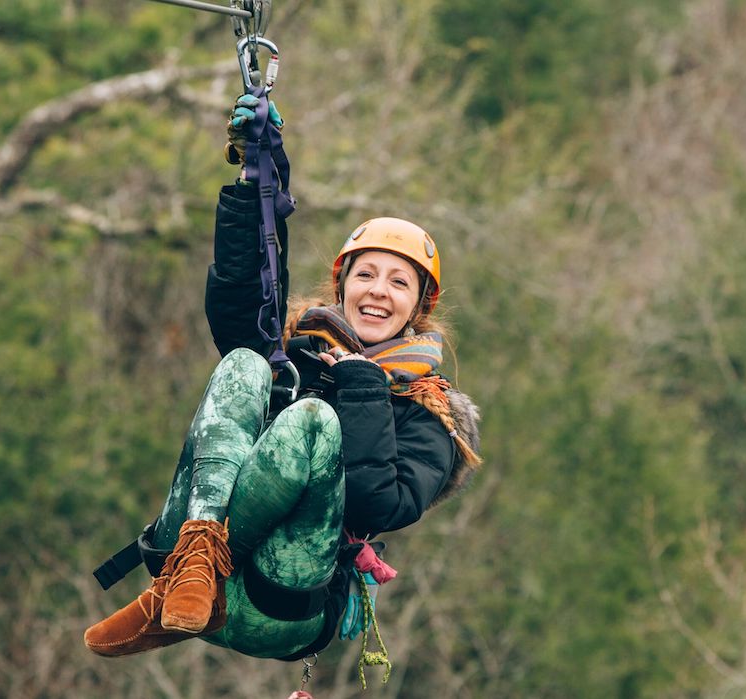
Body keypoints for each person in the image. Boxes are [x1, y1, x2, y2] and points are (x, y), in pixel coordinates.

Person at [84, 94, 481, 661]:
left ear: (419, 305)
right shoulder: (296, 353)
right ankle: (193, 566)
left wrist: (363, 384)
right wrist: (255, 180)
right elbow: (241, 300)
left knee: (313, 418)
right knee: (244, 360)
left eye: (398, 282)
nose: (377, 291)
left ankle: (196, 574)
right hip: (187, 554)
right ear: (342, 287)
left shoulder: (433, 413)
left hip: (283, 596)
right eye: (366, 274)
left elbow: (378, 508)